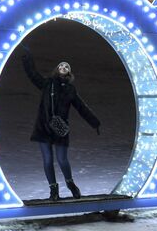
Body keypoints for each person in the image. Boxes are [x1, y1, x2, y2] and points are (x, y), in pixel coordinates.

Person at [22, 51, 101, 201]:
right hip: (44, 127)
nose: (63, 67)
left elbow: (81, 107)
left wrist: (94, 122)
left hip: (60, 129)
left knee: (62, 159)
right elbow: (33, 74)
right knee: (47, 160)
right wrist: (27, 58)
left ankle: (71, 185)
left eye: (66, 66)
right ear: (56, 69)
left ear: (69, 72)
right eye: (61, 65)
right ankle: (54, 190)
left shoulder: (70, 90)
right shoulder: (47, 84)